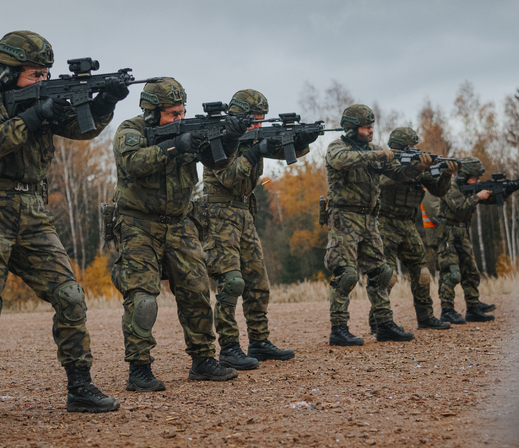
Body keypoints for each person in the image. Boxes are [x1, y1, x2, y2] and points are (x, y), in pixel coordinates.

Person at [0, 31, 125, 422]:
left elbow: (83, 128)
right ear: (8, 74)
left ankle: (80, 387)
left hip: (31, 208)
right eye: (34, 75)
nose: (42, 81)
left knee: (70, 295)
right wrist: (36, 113)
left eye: (46, 75)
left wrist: (105, 100)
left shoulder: (43, 102)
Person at [111, 78, 245, 390]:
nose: (180, 119)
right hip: (138, 224)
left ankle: (203, 360)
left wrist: (231, 138)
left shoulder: (187, 129)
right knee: (142, 298)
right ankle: (139, 368)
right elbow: (133, 163)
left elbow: (217, 162)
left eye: (182, 112)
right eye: (173, 114)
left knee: (196, 291)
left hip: (181, 221)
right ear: (151, 113)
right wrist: (176, 145)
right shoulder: (130, 131)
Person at [199, 90, 315, 369]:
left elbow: (279, 149)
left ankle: (259, 341)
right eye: (254, 121)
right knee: (233, 282)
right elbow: (228, 176)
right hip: (218, 214)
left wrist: (301, 141)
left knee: (258, 283)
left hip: (243, 214)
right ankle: (228, 347)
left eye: (262, 122)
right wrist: (254, 152)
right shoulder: (218, 138)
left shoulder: (255, 135)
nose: (259, 127)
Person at [323, 105, 430, 345]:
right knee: (346, 274)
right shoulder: (336, 148)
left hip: (370, 219)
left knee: (381, 273)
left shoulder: (374, 150)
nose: (371, 130)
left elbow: (399, 173)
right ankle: (338, 329)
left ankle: (384, 324)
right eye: (366, 126)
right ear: (351, 129)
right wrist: (378, 156)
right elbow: (341, 161)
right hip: (345, 218)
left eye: (372, 126)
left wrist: (419, 166)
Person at [375, 127, 457, 332]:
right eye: (412, 146)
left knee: (422, 272)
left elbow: (438, 190)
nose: (415, 149)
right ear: (404, 147)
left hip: (408, 224)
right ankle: (379, 322)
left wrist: (446, 174)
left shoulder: (418, 166)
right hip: (385, 223)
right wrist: (417, 167)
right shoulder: (385, 162)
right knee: (388, 275)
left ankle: (426, 317)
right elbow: (389, 180)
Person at [435, 158, 495, 324]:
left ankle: (473, 307)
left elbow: (488, 200)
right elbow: (460, 208)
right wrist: (477, 197)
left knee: (471, 271)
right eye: (475, 178)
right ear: (465, 176)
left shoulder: (469, 188)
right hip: (448, 233)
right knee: (451, 272)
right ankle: (447, 310)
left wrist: (502, 190)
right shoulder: (449, 186)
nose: (478, 181)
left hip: (462, 232)